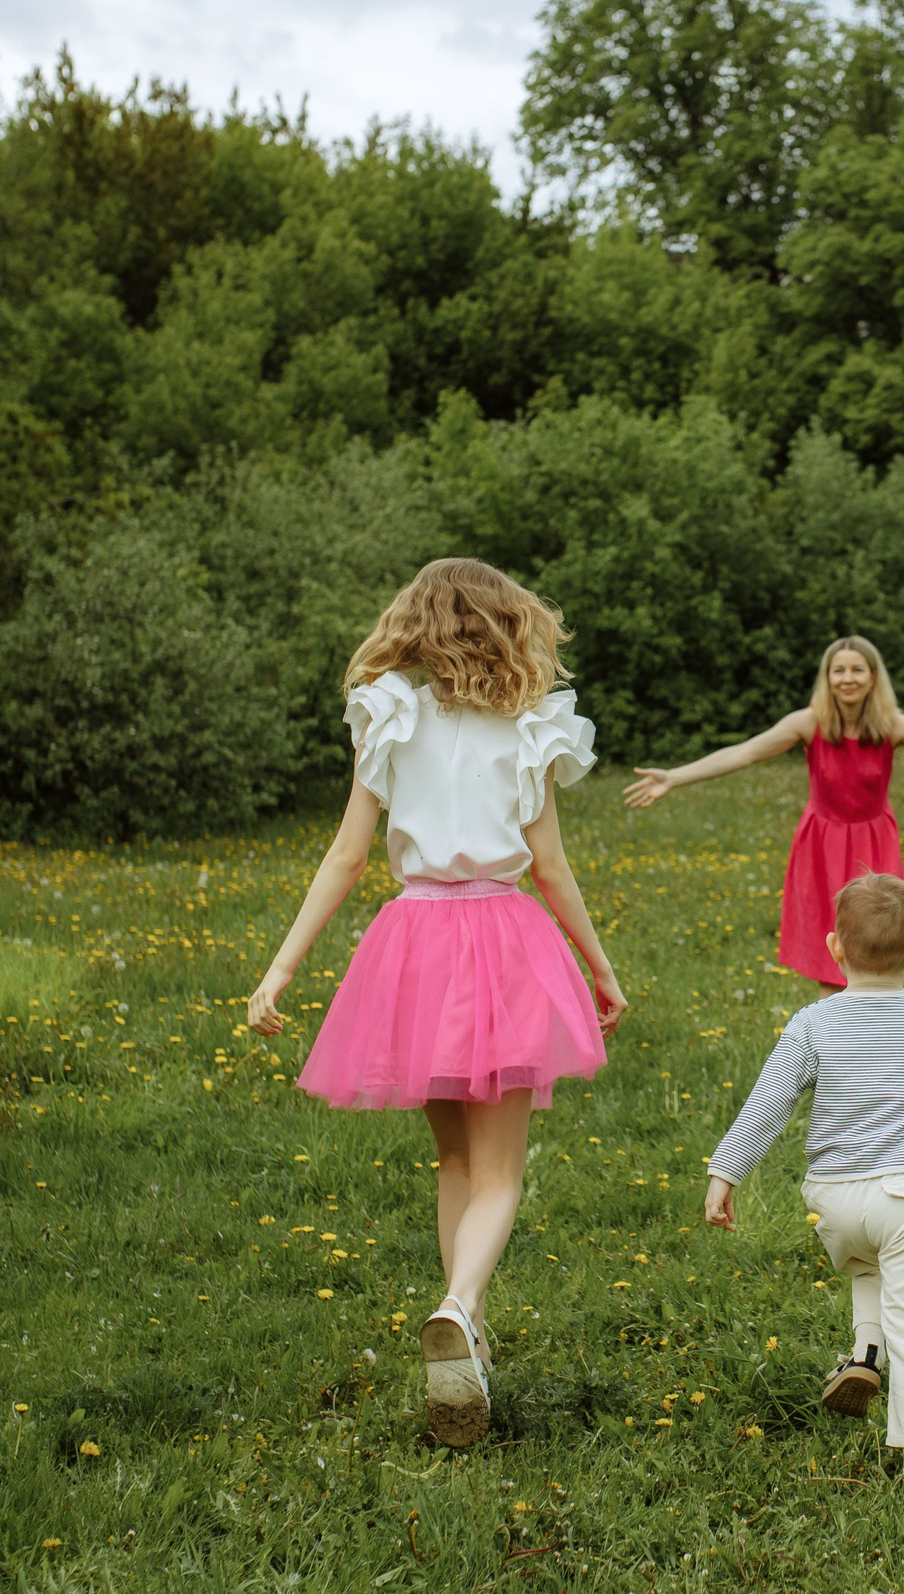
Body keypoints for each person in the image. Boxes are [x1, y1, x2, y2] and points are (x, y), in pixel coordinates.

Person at [247, 559, 627, 1450]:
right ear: (504, 622)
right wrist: (600, 967)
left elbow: (344, 856)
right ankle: (458, 1304)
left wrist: (279, 970)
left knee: (456, 1162)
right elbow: (551, 868)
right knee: (500, 1172)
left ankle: (470, 1342)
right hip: (498, 940)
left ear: (413, 624)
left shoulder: (390, 716)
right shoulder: (528, 729)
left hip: (412, 942)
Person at [704, 872, 904, 1505]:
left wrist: (726, 1172)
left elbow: (771, 1100)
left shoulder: (812, 1022)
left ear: (833, 948)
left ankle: (868, 1350)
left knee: (871, 1263)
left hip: (835, 1197)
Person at [622, 635, 904, 990]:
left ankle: (881, 1043)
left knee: (881, 940)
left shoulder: (893, 726)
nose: (848, 678)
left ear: (873, 676)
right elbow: (744, 753)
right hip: (821, 844)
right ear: (828, 677)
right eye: (839, 670)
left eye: (857, 670)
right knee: (831, 955)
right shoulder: (810, 723)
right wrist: (674, 777)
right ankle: (834, 1046)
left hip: (874, 842)